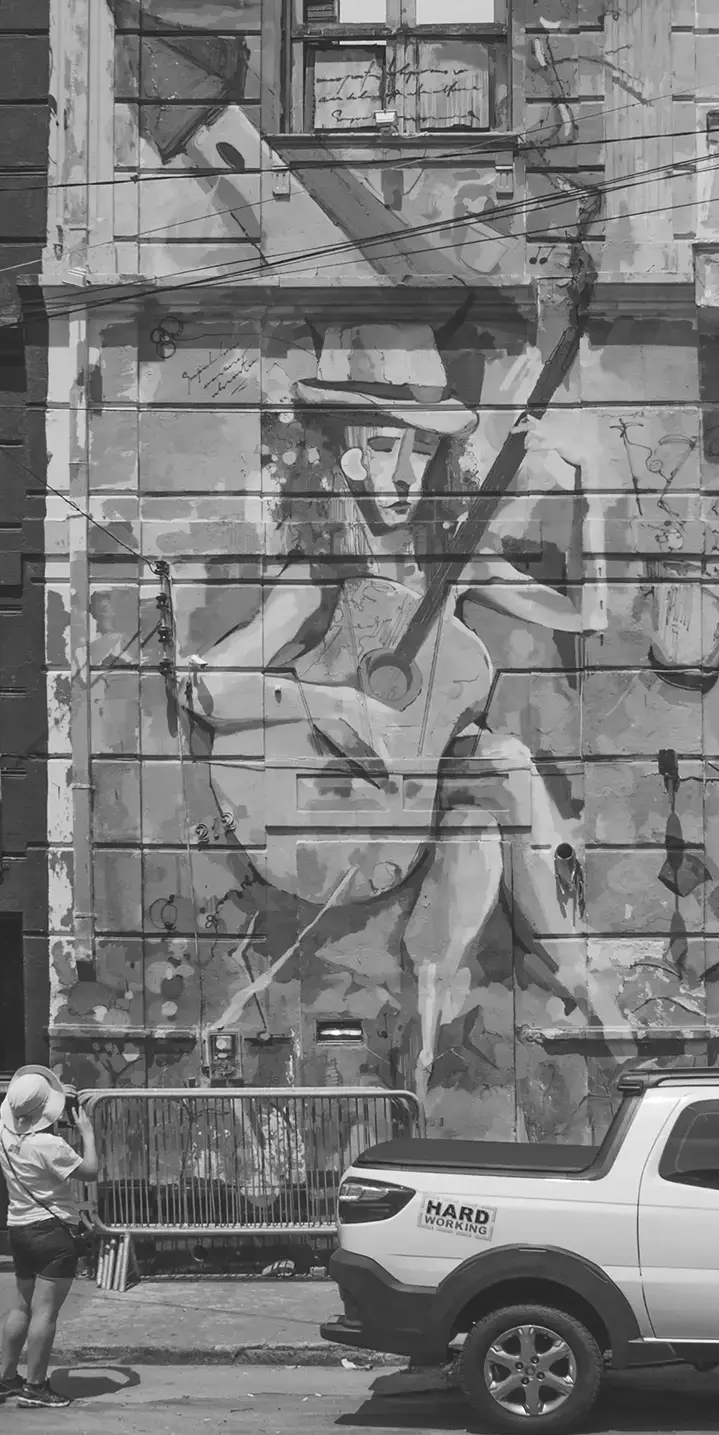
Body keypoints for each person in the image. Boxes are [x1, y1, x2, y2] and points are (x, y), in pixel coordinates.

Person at [185, 318, 612, 1108]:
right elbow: (209, 690)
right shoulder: (320, 575)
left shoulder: (453, 559)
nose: (406, 471)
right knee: (502, 776)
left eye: (421, 450)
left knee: (489, 809)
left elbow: (586, 614)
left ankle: (433, 1049)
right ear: (346, 450)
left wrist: (584, 492)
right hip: (313, 806)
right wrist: (333, 700)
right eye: (385, 447)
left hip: (404, 808)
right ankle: (595, 997)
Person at [0, 1064, 98, 1410]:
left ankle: (6, 1378)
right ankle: (35, 1385)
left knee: (21, 1305)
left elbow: (29, 1115)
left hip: (20, 1228)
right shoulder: (50, 1145)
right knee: (45, 1314)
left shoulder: (1, 1133)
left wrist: (54, 1099)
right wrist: (88, 1132)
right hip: (53, 1232)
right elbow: (91, 1171)